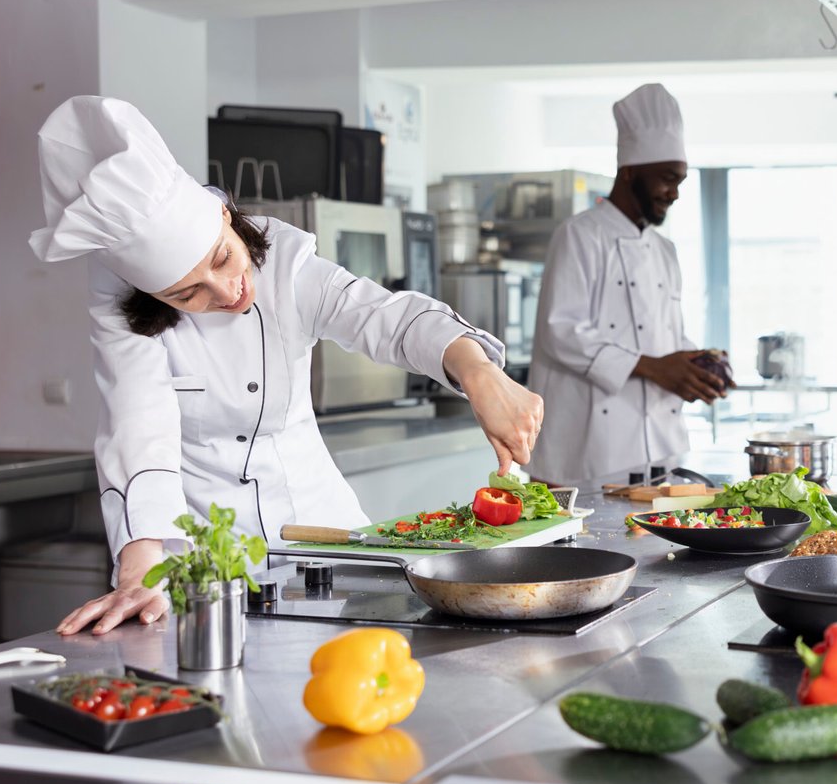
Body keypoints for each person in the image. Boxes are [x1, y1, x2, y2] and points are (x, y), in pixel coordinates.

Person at [29, 97, 544, 635]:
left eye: (223, 258)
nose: (226, 291)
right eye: (187, 294)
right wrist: (139, 573)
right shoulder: (124, 310)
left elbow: (384, 317)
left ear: (225, 216)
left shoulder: (285, 266)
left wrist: (478, 371)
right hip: (210, 566)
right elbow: (137, 428)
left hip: (327, 543)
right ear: (154, 296)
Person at [526, 83, 726, 485]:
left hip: (659, 447)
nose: (674, 193)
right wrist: (655, 368)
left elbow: (666, 334)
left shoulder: (664, 250)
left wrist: (699, 364)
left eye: (680, 181)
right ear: (630, 170)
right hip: (585, 450)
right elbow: (560, 331)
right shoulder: (579, 235)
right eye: (667, 179)